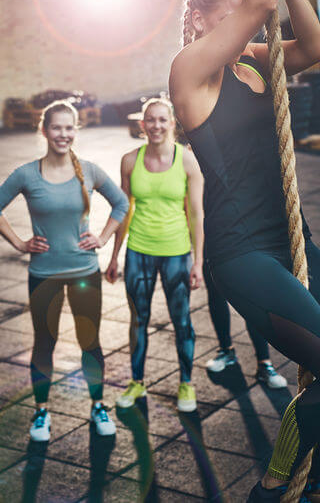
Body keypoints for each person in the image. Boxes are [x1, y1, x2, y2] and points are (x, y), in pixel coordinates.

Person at [167, 0, 320, 500]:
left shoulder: (253, 63)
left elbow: (313, 45)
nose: (247, 27)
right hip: (243, 254)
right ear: (198, 21)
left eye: (244, 16)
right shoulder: (190, 71)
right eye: (228, 16)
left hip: (291, 241)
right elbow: (258, 9)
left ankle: (313, 475)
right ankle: (272, 488)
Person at [0, 100, 129, 442]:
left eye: (69, 127)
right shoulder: (26, 174)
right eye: (57, 127)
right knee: (44, 342)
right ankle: (41, 412)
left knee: (89, 340)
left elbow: (121, 203)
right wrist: (20, 243)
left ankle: (97, 405)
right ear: (45, 131)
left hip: (84, 271)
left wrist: (103, 237)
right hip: (45, 272)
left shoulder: (89, 171)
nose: (63, 134)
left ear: (75, 131)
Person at [105, 98, 205, 412]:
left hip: (176, 252)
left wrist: (198, 262)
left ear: (173, 124)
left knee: (181, 320)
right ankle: (137, 382)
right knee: (138, 321)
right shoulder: (129, 161)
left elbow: (197, 214)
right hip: (139, 251)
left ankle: (186, 384)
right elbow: (124, 210)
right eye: (151, 120)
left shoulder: (188, 161)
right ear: (142, 125)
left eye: (162, 120)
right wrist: (113, 256)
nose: (156, 126)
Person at [203, 268, 287, 389]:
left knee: (251, 299)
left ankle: (264, 363)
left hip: (242, 251)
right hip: (212, 252)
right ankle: (226, 351)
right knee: (216, 295)